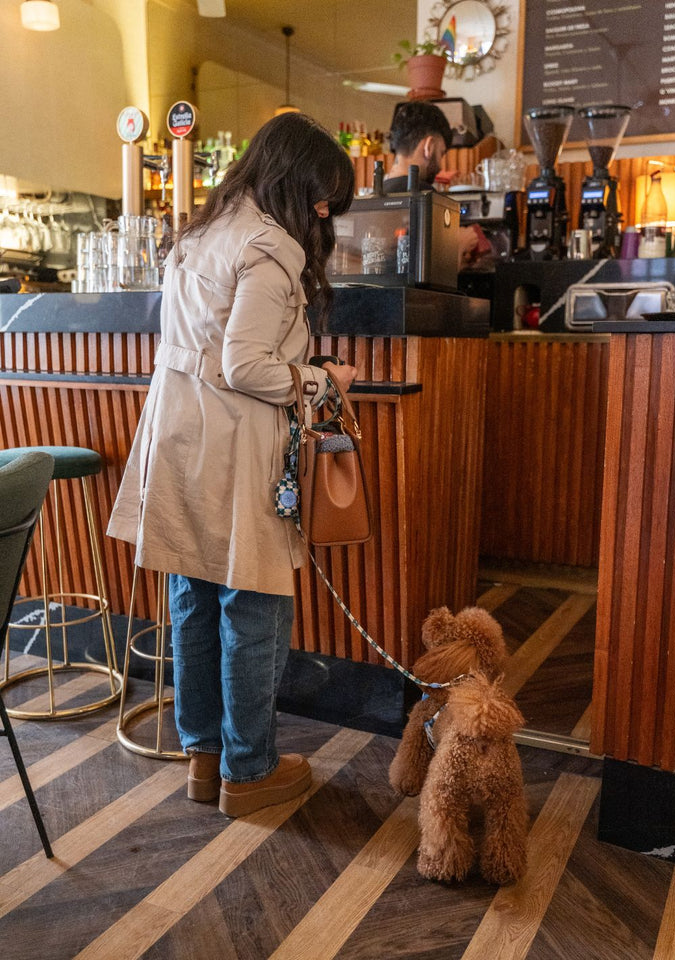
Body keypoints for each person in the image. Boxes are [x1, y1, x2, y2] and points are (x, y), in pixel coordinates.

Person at [108, 112, 357, 818]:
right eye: (319, 195)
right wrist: (321, 379)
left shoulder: (200, 232)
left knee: (193, 597)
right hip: (233, 441)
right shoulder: (269, 245)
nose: (320, 212)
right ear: (294, 179)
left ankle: (204, 758)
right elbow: (244, 364)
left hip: (178, 434)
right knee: (252, 602)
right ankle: (250, 772)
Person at [383, 100, 490, 267]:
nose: (440, 165)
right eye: (441, 153)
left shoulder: (375, 196)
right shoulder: (427, 198)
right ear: (429, 146)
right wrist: (461, 244)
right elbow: (435, 273)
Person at [383, 100, 452, 193]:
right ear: (429, 147)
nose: (440, 167)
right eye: (441, 153)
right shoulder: (426, 196)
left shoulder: (370, 197)